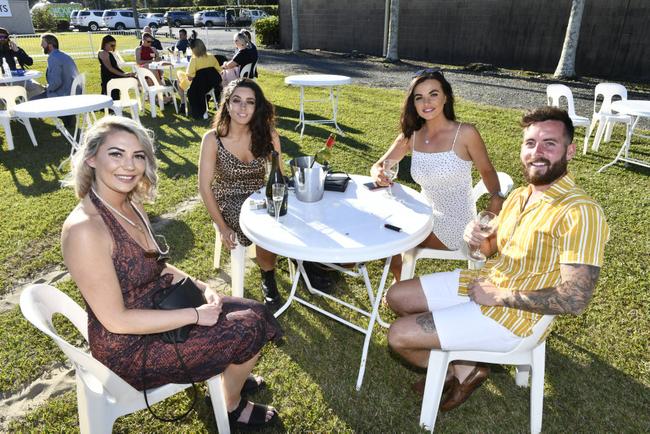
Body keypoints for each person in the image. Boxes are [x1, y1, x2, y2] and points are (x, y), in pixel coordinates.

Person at [61, 116, 282, 429]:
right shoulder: (85, 230)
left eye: (138, 156)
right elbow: (116, 320)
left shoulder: (127, 203)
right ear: (92, 158)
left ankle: (230, 379)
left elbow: (157, 264)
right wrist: (194, 314)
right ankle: (230, 406)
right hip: (130, 350)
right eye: (116, 154)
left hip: (160, 307)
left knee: (256, 311)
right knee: (247, 328)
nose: (129, 166)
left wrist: (202, 286)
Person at [386, 106, 610, 412]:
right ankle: (464, 368)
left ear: (570, 151)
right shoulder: (521, 195)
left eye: (549, 144)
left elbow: (575, 299)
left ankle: (454, 370)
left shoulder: (580, 212)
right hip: (487, 283)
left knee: (398, 336)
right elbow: (487, 249)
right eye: (530, 143)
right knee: (396, 296)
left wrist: (500, 296)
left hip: (516, 317)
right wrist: (474, 239)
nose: (537, 152)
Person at [371, 68, 503, 281]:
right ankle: (401, 286)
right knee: (383, 226)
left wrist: (495, 202)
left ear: (446, 97)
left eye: (433, 94)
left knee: (391, 238)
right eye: (419, 97)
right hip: (422, 211)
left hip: (457, 223)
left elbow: (487, 171)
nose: (427, 103)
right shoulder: (411, 135)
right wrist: (378, 173)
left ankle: (401, 289)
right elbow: (380, 165)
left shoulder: (466, 133)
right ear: (413, 104)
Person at [198, 79, 282, 306]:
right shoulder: (213, 139)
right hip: (228, 199)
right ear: (227, 104)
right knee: (264, 224)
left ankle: (310, 265)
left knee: (288, 216)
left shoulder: (268, 135)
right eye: (237, 101)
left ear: (257, 107)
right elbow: (204, 187)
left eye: (250, 102)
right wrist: (223, 227)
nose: (243, 108)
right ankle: (268, 277)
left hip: (259, 195)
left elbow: (279, 176)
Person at [177, 37, 222, 119]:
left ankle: (183, 103)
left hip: (198, 85)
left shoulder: (194, 59)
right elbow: (218, 70)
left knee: (179, 75)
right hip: (210, 85)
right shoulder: (211, 56)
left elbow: (190, 77)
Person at [0, 27, 44, 99]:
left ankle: (24, 102)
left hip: (21, 78)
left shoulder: (15, 49)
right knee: (5, 95)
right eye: (0, 37)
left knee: (38, 88)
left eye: (4, 37)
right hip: (3, 81)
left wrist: (17, 51)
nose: (2, 39)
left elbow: (29, 62)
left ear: (8, 38)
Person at [98, 35, 136, 101]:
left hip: (114, 75)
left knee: (136, 77)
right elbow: (110, 68)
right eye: (112, 45)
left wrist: (125, 73)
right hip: (110, 77)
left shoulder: (108, 53)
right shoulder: (103, 52)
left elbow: (115, 67)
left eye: (114, 46)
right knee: (135, 79)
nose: (113, 47)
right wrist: (124, 74)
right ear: (105, 43)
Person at [40, 33, 79, 98]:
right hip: (72, 92)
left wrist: (46, 88)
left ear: (50, 45)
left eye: (43, 43)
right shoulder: (62, 55)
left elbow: (56, 82)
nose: (41, 45)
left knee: (31, 100)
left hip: (63, 95)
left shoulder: (54, 58)